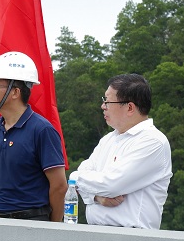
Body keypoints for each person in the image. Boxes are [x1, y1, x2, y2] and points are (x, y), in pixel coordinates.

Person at [69, 74, 172, 229]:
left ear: (130, 108)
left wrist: (76, 178)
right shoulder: (108, 139)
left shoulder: (153, 142)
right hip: (95, 233)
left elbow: (110, 185)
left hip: (132, 237)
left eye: (107, 101)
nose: (103, 106)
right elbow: (84, 175)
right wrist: (96, 196)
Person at [0, 51, 67, 221]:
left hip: (32, 222)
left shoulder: (42, 130)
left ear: (15, 92)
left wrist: (54, 228)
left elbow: (59, 186)